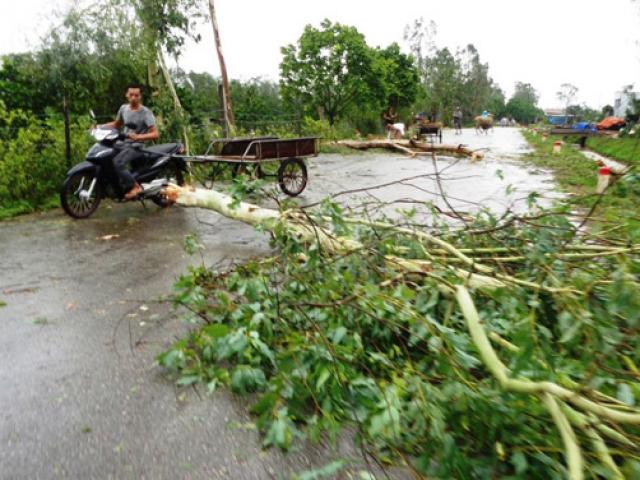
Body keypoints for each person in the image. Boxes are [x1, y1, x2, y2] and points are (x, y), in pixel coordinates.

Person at [100, 83, 159, 199]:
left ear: (140, 96)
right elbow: (117, 124)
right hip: (122, 144)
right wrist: (100, 126)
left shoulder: (145, 112)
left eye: (136, 95)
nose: (133, 98)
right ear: (126, 95)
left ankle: (135, 186)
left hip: (137, 146)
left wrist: (138, 137)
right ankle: (115, 186)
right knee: (105, 155)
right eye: (131, 95)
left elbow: (155, 134)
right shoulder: (123, 108)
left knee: (118, 162)